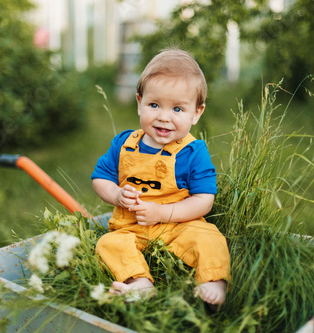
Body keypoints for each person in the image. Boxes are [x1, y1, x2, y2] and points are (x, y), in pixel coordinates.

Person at [91, 49, 230, 306]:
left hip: (179, 223)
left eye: (178, 108)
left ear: (196, 113)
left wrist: (162, 213)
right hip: (131, 226)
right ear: (139, 102)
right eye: (154, 105)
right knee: (108, 244)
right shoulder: (124, 144)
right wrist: (117, 195)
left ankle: (213, 282)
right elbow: (100, 178)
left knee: (209, 237)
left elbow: (204, 200)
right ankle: (139, 282)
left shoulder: (192, 151)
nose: (164, 116)